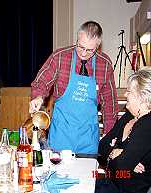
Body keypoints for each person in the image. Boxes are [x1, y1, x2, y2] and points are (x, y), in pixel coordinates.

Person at [29, 21, 119, 154]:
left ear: (98, 46)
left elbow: (109, 103)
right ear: (77, 39)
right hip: (61, 134)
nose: (83, 53)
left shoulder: (104, 64)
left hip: (88, 137)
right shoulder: (60, 57)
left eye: (89, 50)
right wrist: (38, 97)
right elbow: (41, 82)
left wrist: (109, 134)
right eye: (80, 46)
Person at [96, 67, 151, 193]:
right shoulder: (128, 116)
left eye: (129, 91)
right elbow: (102, 145)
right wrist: (117, 153)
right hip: (111, 183)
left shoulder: (147, 125)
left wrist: (123, 160)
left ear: (142, 97)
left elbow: (121, 167)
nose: (125, 94)